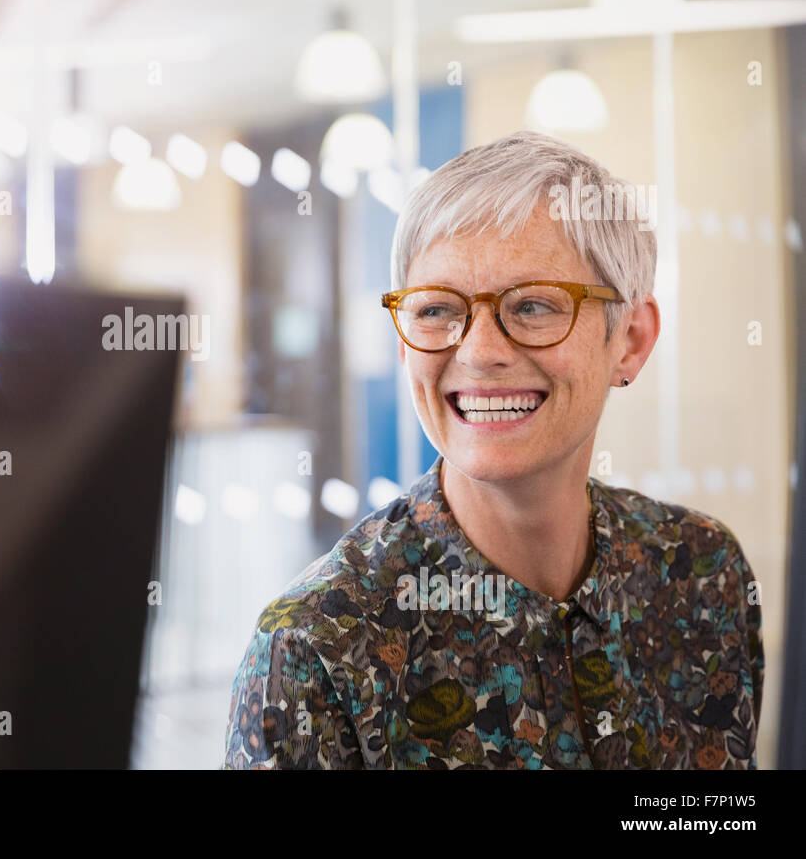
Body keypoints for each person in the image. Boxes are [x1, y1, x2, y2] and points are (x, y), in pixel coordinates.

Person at [222, 130, 763, 769]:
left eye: (532, 305)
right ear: (403, 343)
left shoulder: (703, 571)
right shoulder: (316, 648)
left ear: (632, 339)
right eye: (435, 311)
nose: (479, 352)